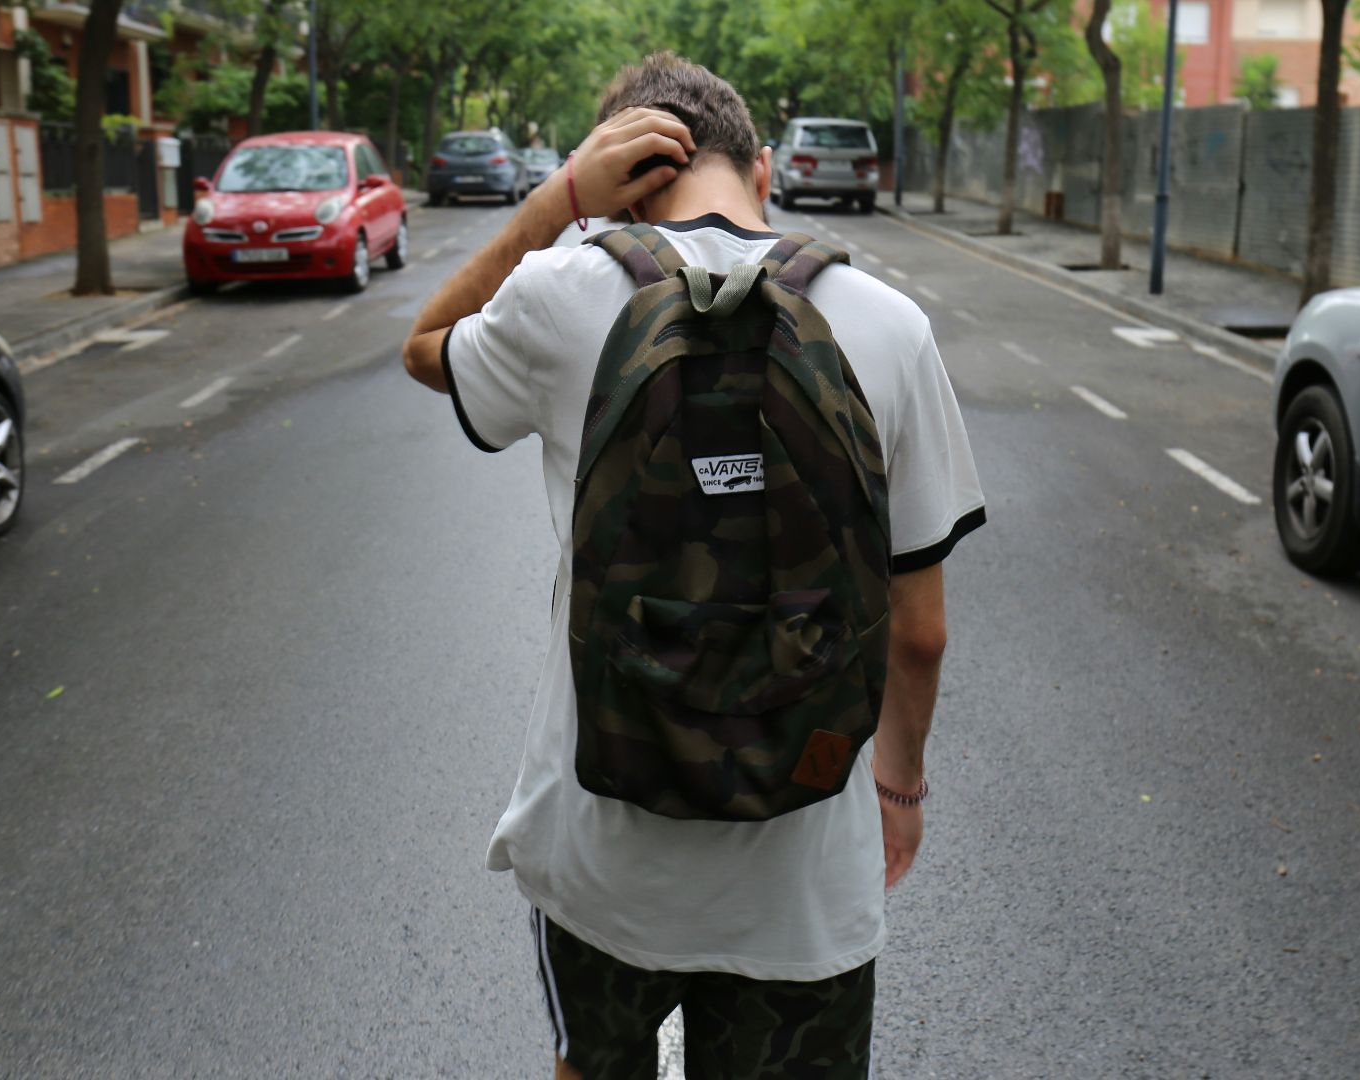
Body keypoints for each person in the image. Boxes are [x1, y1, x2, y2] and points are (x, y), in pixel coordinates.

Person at [402, 52, 984, 1080]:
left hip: (601, 854)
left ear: (616, 172)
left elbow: (426, 342)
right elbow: (919, 630)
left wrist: (558, 203)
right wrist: (898, 789)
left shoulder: (560, 294)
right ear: (762, 168)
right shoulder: (892, 327)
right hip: (803, 876)